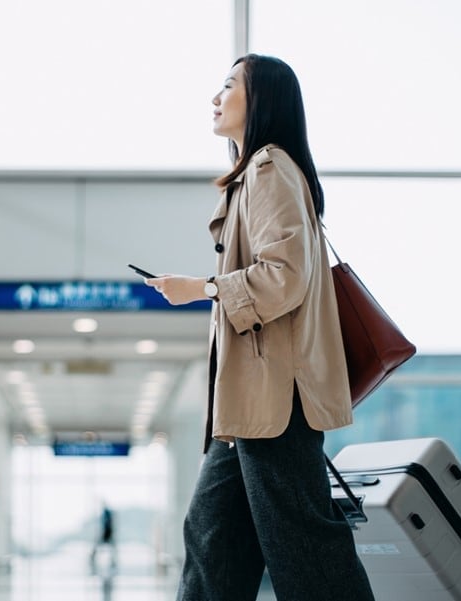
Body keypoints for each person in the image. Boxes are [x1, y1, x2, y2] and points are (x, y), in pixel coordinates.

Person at [144, 54, 375, 601]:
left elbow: (284, 277)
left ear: (262, 98)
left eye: (228, 85)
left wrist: (202, 288)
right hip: (250, 407)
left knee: (305, 548)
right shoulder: (253, 177)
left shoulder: (269, 169)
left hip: (275, 402)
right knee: (212, 538)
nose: (215, 97)